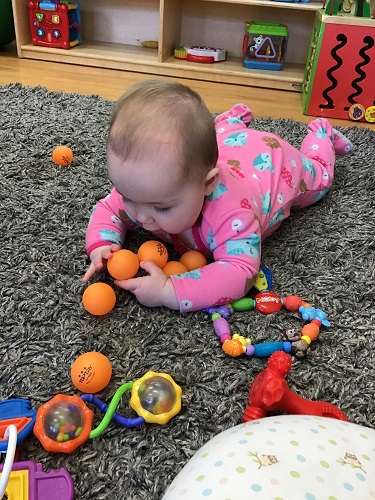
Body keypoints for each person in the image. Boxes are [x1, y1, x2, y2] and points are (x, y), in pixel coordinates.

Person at [83, 78, 352, 313]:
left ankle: (321, 137)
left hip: (273, 165)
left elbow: (240, 272)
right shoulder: (143, 187)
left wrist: (170, 291)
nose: (139, 217)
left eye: (161, 208)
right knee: (213, 143)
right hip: (229, 148)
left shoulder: (232, 215)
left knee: (320, 179)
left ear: (207, 184)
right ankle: (230, 123)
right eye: (127, 195)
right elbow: (108, 210)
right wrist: (101, 245)